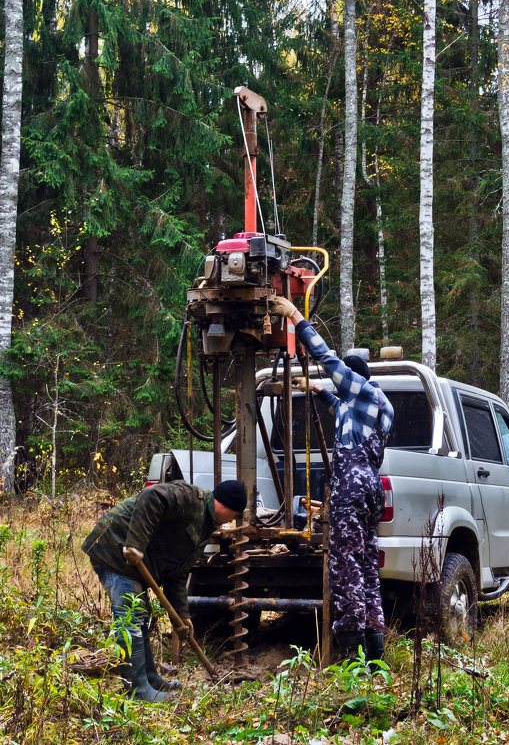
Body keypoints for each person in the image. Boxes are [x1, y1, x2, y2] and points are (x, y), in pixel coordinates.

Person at [271, 295, 394, 667]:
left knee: (344, 566)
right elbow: (334, 403)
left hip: (352, 487)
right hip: (369, 487)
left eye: (344, 382)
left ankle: (352, 655)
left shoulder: (364, 392)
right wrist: (308, 386)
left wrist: (296, 317)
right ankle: (375, 656)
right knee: (366, 566)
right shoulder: (364, 407)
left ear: (355, 380)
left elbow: (328, 360)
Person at [82, 479, 246, 701]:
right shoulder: (190, 498)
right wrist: (136, 544)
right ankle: (138, 690)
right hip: (115, 546)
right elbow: (152, 496)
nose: (231, 522)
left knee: (141, 617)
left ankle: (149, 678)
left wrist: (182, 617)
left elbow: (177, 573)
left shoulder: (205, 525)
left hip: (132, 561)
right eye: (234, 516)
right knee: (131, 618)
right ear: (227, 507)